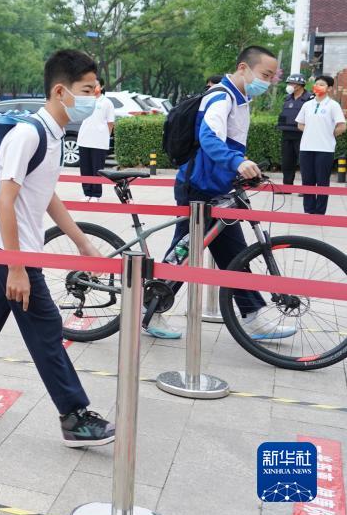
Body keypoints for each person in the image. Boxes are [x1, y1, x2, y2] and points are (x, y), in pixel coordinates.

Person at [0, 49, 115, 448]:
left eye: (96, 89)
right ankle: (74, 415)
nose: (94, 97)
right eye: (87, 90)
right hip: (10, 249)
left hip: (14, 247)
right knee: (46, 330)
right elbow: (4, 199)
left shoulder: (52, 134)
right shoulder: (28, 134)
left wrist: (83, 243)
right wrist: (16, 267)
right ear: (60, 91)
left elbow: (46, 195)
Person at [146, 45, 296, 340]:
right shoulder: (221, 97)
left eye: (271, 76)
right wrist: (237, 162)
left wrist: (242, 167)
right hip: (198, 188)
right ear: (243, 68)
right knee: (185, 251)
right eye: (264, 74)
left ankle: (252, 316)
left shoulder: (241, 99)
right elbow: (209, 139)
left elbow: (231, 144)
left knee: (232, 253)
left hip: (218, 188)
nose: (267, 81)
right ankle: (148, 309)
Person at [296, 75, 346, 215]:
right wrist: (312, 132)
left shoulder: (333, 105)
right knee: (307, 180)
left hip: (325, 149)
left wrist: (328, 134)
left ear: (329, 88)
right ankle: (309, 210)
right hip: (306, 148)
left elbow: (342, 126)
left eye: (322, 84)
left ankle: (319, 212)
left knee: (322, 181)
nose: (318, 86)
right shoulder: (307, 104)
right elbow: (300, 124)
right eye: (316, 84)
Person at [76, 81, 114, 202]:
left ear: (101, 86)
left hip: (98, 142)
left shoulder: (107, 103)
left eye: (96, 85)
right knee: (85, 169)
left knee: (97, 169)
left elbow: (110, 123)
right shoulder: (85, 100)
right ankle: (87, 192)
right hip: (84, 139)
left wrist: (104, 136)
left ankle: (96, 194)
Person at [278, 74, 311, 189]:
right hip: (287, 134)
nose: (289, 86)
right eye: (289, 83)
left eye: (292, 83)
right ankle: (287, 187)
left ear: (300, 85)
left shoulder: (309, 98)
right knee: (287, 162)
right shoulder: (287, 98)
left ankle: (306, 188)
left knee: (305, 163)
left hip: (302, 134)